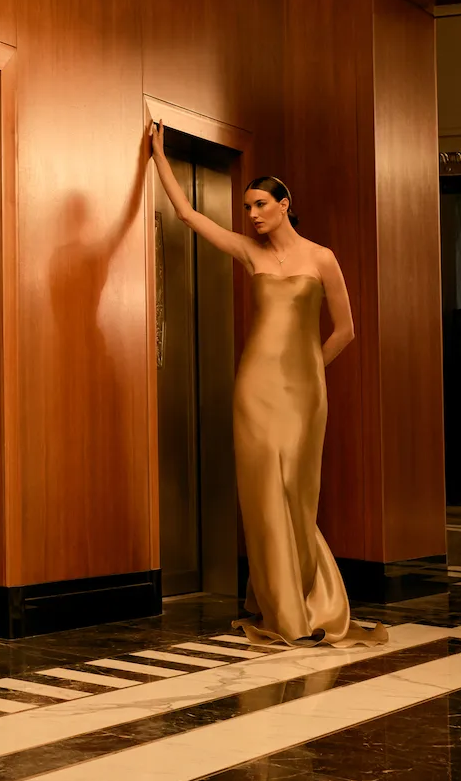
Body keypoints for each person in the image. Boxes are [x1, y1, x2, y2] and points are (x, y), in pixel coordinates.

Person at [149, 120, 385, 647]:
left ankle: (306, 598)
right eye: (248, 207)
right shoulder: (248, 253)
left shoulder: (321, 258)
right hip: (253, 387)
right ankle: (283, 613)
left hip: (305, 394)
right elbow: (187, 215)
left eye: (260, 204)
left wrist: (309, 373)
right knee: (261, 494)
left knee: (296, 494)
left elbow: (346, 331)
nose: (252, 215)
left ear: (284, 204)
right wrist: (158, 158)